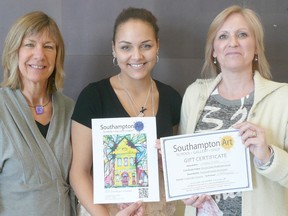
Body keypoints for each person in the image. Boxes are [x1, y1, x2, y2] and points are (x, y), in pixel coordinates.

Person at [70, 7, 182, 216]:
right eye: (125, 47)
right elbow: (79, 172)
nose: (136, 56)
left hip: (158, 209)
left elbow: (176, 167)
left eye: (146, 46)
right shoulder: (94, 96)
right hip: (104, 210)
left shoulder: (172, 98)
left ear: (157, 45)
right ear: (113, 49)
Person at [179, 5, 288, 216]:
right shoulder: (194, 95)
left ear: (256, 47)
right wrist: (185, 188)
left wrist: (268, 156)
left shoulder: (283, 98)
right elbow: (186, 168)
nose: (233, 43)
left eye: (242, 34)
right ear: (213, 50)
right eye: (223, 36)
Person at [0, 11, 76, 215]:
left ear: (57, 56)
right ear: (13, 51)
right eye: (30, 44)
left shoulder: (71, 109)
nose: (39, 55)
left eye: (48, 46)